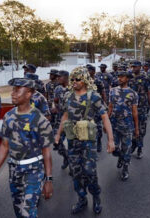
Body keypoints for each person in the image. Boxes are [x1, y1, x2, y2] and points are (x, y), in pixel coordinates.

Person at [0, 78, 54, 218]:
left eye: (17, 90)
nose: (13, 93)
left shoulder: (40, 119)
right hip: (14, 171)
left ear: (29, 94)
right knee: (19, 211)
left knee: (28, 212)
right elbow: (4, 146)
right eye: (13, 89)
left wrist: (48, 180)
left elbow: (46, 152)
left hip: (34, 170)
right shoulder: (8, 117)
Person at [55, 66, 115, 215]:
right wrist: (58, 134)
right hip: (72, 140)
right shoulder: (67, 96)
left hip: (88, 141)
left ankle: (96, 197)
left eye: (78, 79)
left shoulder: (93, 97)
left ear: (85, 80)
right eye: (72, 79)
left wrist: (111, 140)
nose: (74, 82)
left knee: (89, 171)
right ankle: (82, 199)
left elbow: (105, 117)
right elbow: (65, 116)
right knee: (75, 173)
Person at [108, 71, 139, 181]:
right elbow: (110, 107)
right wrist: (106, 123)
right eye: (119, 76)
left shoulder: (133, 93)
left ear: (127, 79)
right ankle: (120, 157)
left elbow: (135, 112)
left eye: (122, 77)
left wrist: (137, 128)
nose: (119, 78)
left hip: (127, 126)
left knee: (126, 149)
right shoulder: (112, 91)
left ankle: (125, 169)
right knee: (114, 149)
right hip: (114, 125)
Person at [129, 61, 150, 159]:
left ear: (140, 67)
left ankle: (139, 148)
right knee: (131, 128)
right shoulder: (129, 78)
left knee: (141, 129)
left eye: (135, 66)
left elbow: (149, 93)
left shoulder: (145, 78)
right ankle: (133, 144)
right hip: (130, 108)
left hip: (142, 108)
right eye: (132, 66)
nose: (133, 68)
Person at [52, 70, 70, 170]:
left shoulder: (73, 88)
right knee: (56, 142)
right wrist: (55, 107)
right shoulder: (57, 88)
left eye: (60, 76)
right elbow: (56, 101)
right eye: (57, 76)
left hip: (71, 120)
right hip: (60, 119)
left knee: (72, 144)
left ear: (66, 77)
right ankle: (66, 157)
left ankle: (73, 166)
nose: (57, 78)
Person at [86, 64, 106, 152]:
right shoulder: (83, 81)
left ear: (93, 71)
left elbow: (103, 93)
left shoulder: (98, 81)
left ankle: (99, 142)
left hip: (97, 107)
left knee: (98, 127)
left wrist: (105, 104)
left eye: (88, 70)